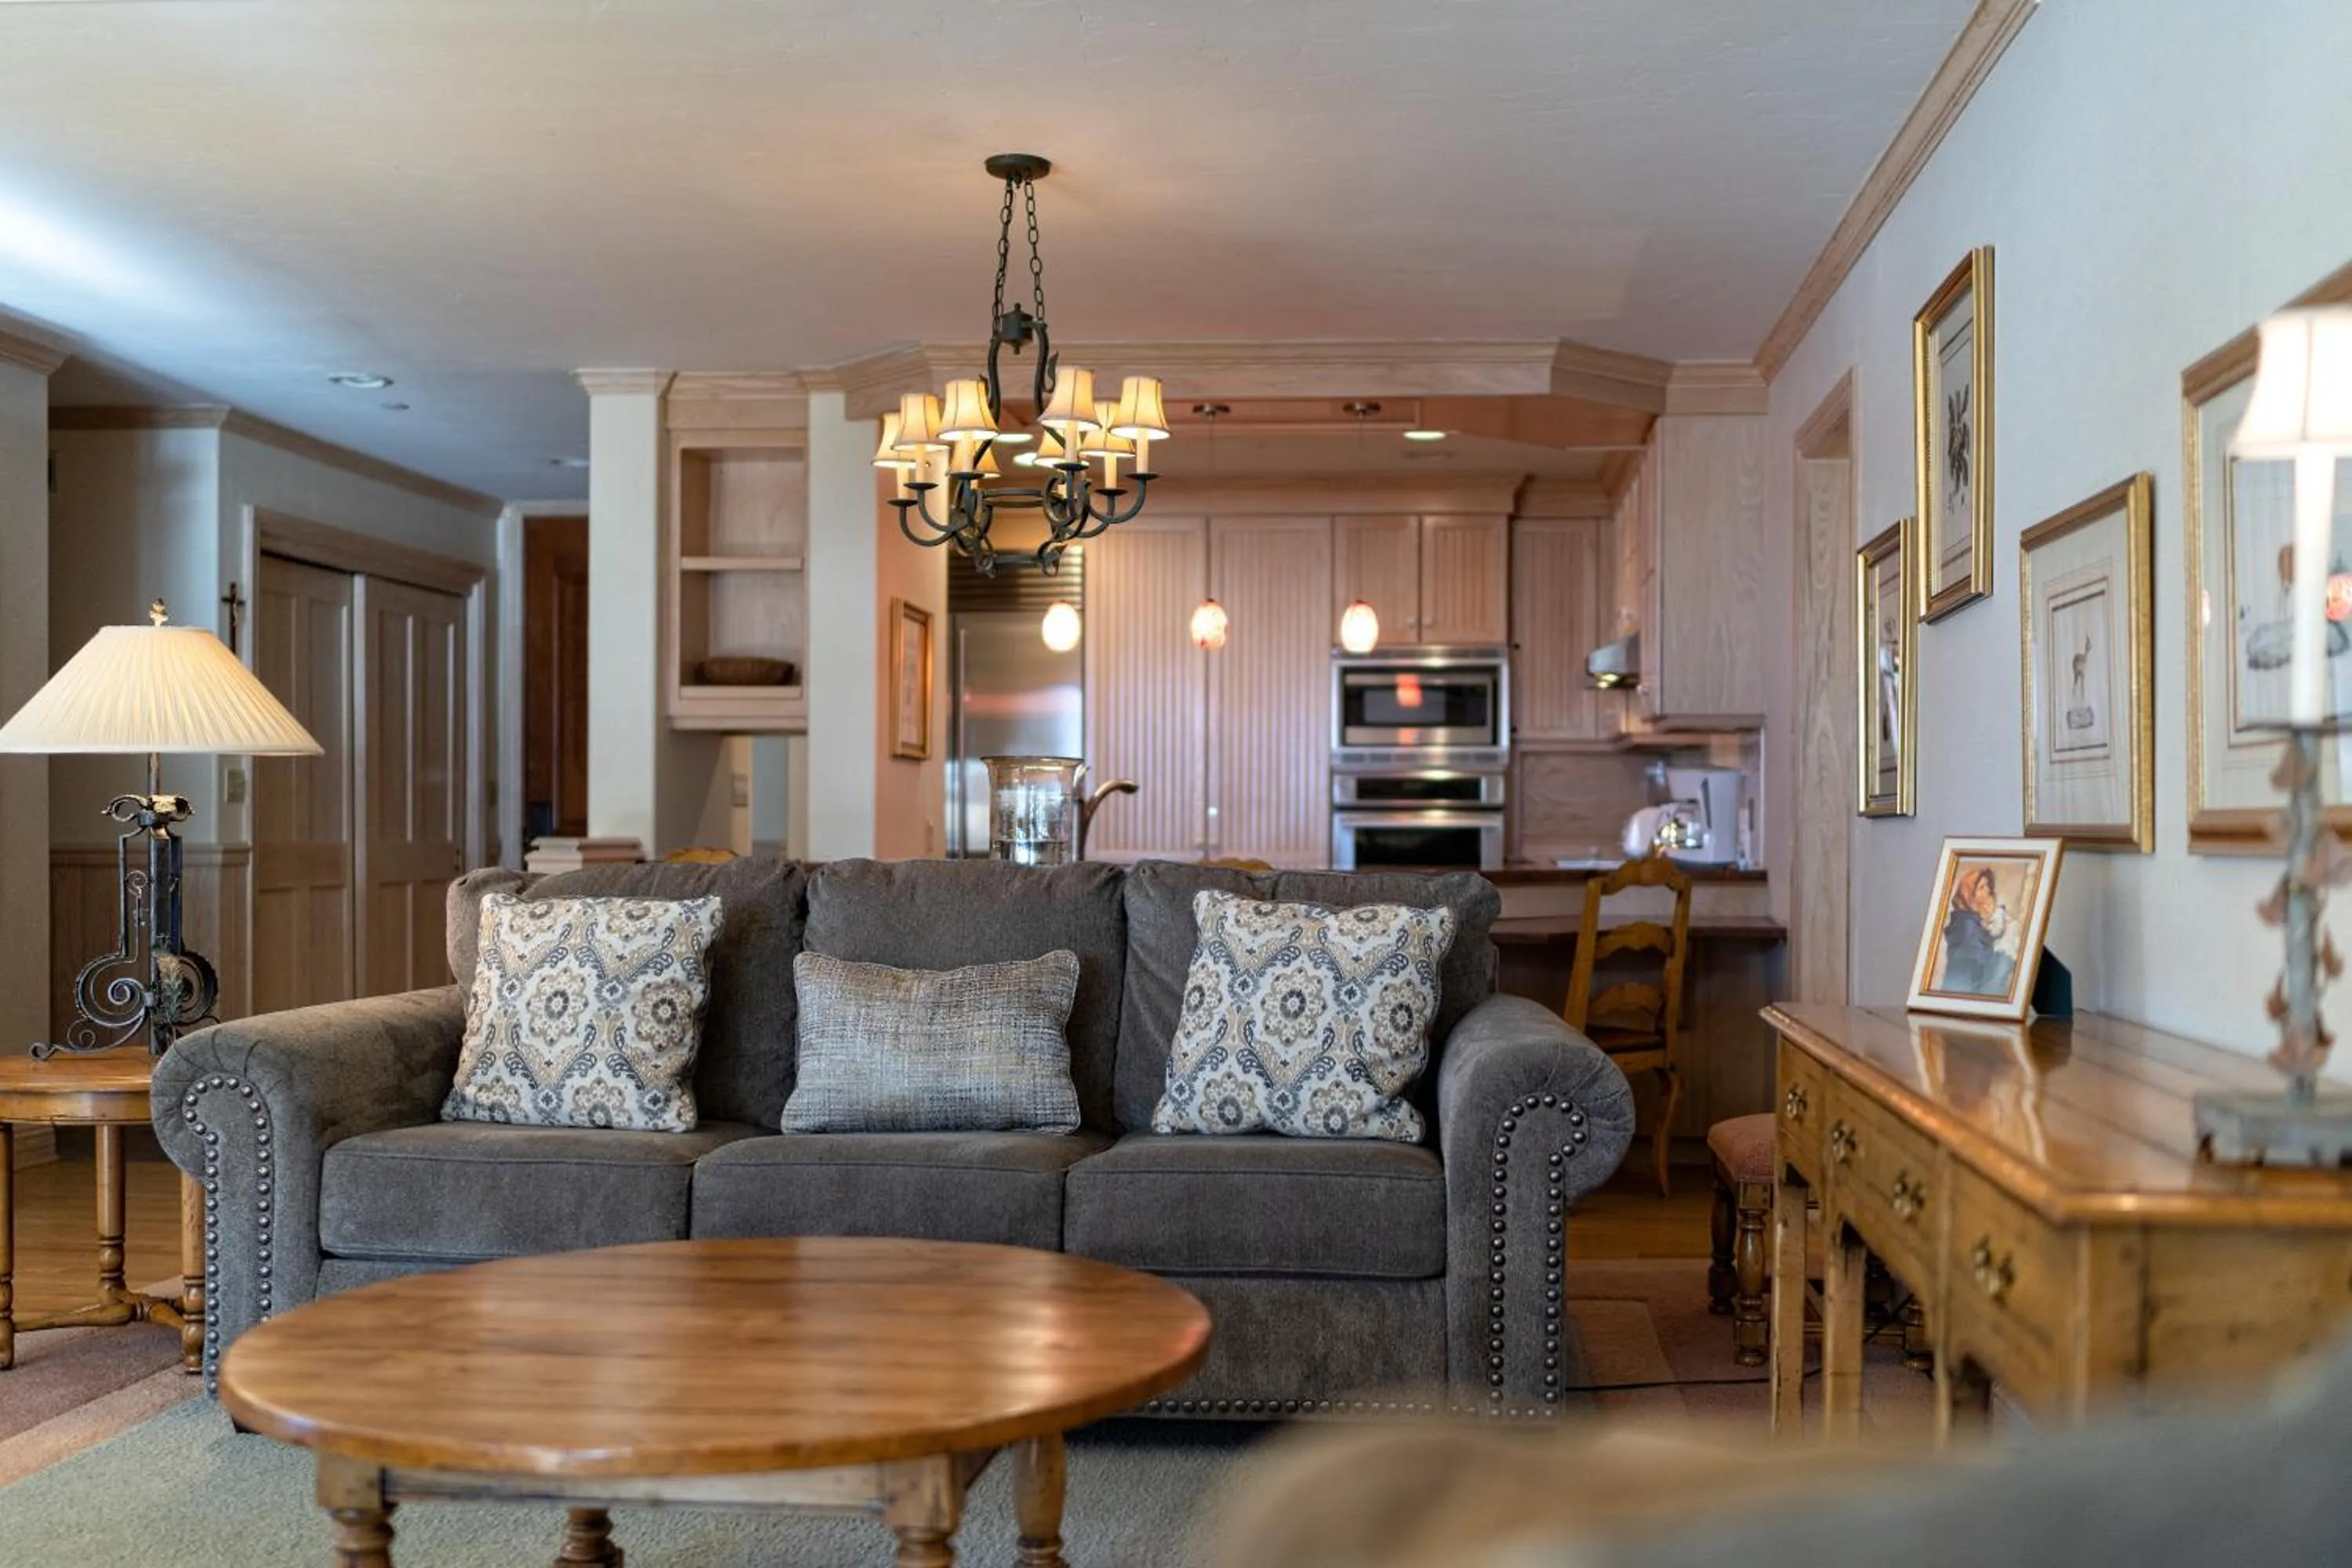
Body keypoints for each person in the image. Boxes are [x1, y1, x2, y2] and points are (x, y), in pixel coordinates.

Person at [1939, 866, 2016, 996]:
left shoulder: (1975, 920)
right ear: (1969, 895)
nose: (1988, 890)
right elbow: (1976, 961)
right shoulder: (1964, 925)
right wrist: (2003, 956)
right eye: (1981, 888)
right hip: (1963, 993)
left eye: (1987, 885)